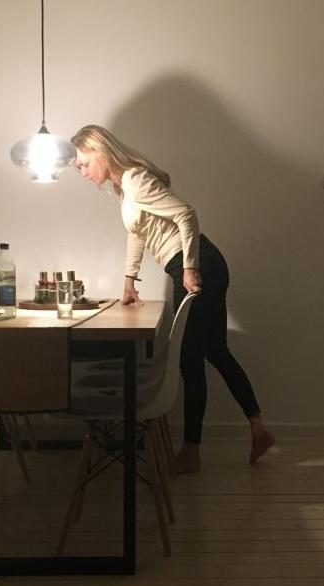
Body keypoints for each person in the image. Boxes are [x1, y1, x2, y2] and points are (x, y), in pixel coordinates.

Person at [71, 125, 275, 473]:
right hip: (196, 264)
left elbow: (186, 213)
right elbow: (137, 233)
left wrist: (190, 268)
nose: (82, 172)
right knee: (215, 350)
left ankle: (191, 452)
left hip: (198, 265)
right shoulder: (124, 188)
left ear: (100, 153)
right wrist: (129, 280)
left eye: (83, 163)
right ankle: (258, 428)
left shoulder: (135, 179)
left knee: (190, 360)